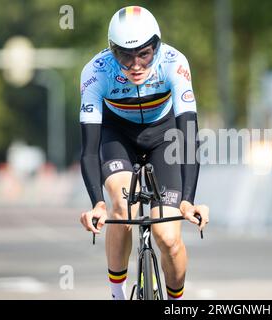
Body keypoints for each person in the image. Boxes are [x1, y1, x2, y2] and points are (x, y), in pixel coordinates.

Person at [78, 5, 209, 300]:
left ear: (157, 47)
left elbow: (188, 136)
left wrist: (188, 201)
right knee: (122, 211)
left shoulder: (175, 63)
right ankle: (117, 295)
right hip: (117, 137)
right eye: (125, 55)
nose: (135, 64)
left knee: (169, 238)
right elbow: (88, 149)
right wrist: (97, 203)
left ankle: (176, 303)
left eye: (144, 54)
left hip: (164, 138)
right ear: (112, 51)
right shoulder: (95, 72)